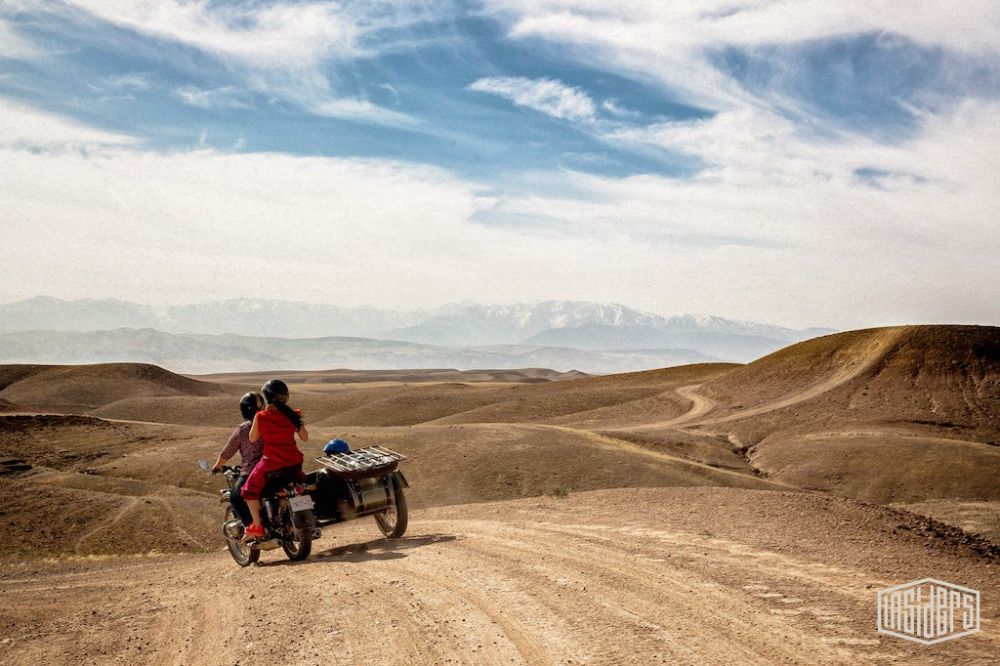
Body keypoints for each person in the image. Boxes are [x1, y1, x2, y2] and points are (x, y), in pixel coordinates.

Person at [241, 379, 309, 541]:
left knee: (248, 491)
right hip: (294, 462)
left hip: (271, 464)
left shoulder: (261, 416)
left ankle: (257, 526)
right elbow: (305, 438)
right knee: (302, 484)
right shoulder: (294, 415)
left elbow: (252, 438)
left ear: (267, 397)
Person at [211, 391, 264, 528]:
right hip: (277, 465)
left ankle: (253, 528)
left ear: (244, 410)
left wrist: (217, 466)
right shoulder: (271, 422)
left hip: (253, 470)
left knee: (235, 497)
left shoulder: (244, 428)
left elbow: (228, 451)